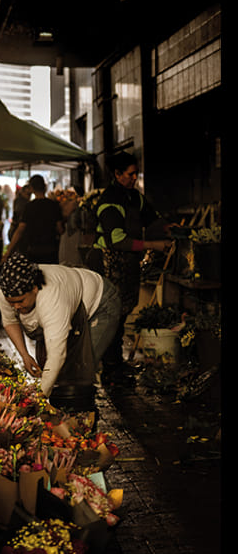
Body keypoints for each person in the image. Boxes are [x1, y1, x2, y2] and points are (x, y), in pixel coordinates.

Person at [0, 252, 123, 400]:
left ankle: (83, 415)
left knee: (78, 371)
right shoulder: (6, 289)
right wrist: (25, 355)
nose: (16, 306)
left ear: (35, 289)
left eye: (21, 301)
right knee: (49, 367)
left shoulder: (52, 299)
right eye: (11, 302)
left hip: (100, 304)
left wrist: (39, 399)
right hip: (71, 298)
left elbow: (57, 354)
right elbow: (10, 321)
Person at [93, 151, 172, 385]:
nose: (134, 178)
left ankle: (116, 364)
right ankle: (110, 367)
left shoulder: (134, 198)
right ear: (117, 174)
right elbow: (117, 240)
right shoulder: (109, 202)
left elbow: (151, 218)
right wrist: (153, 245)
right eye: (130, 174)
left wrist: (169, 228)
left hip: (129, 262)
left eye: (136, 173)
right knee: (113, 314)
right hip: (110, 262)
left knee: (124, 311)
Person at [3, 174, 63, 263]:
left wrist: (8, 252)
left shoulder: (29, 207)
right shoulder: (54, 205)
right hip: (51, 250)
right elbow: (60, 229)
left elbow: (20, 230)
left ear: (32, 189)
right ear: (45, 187)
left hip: (34, 251)